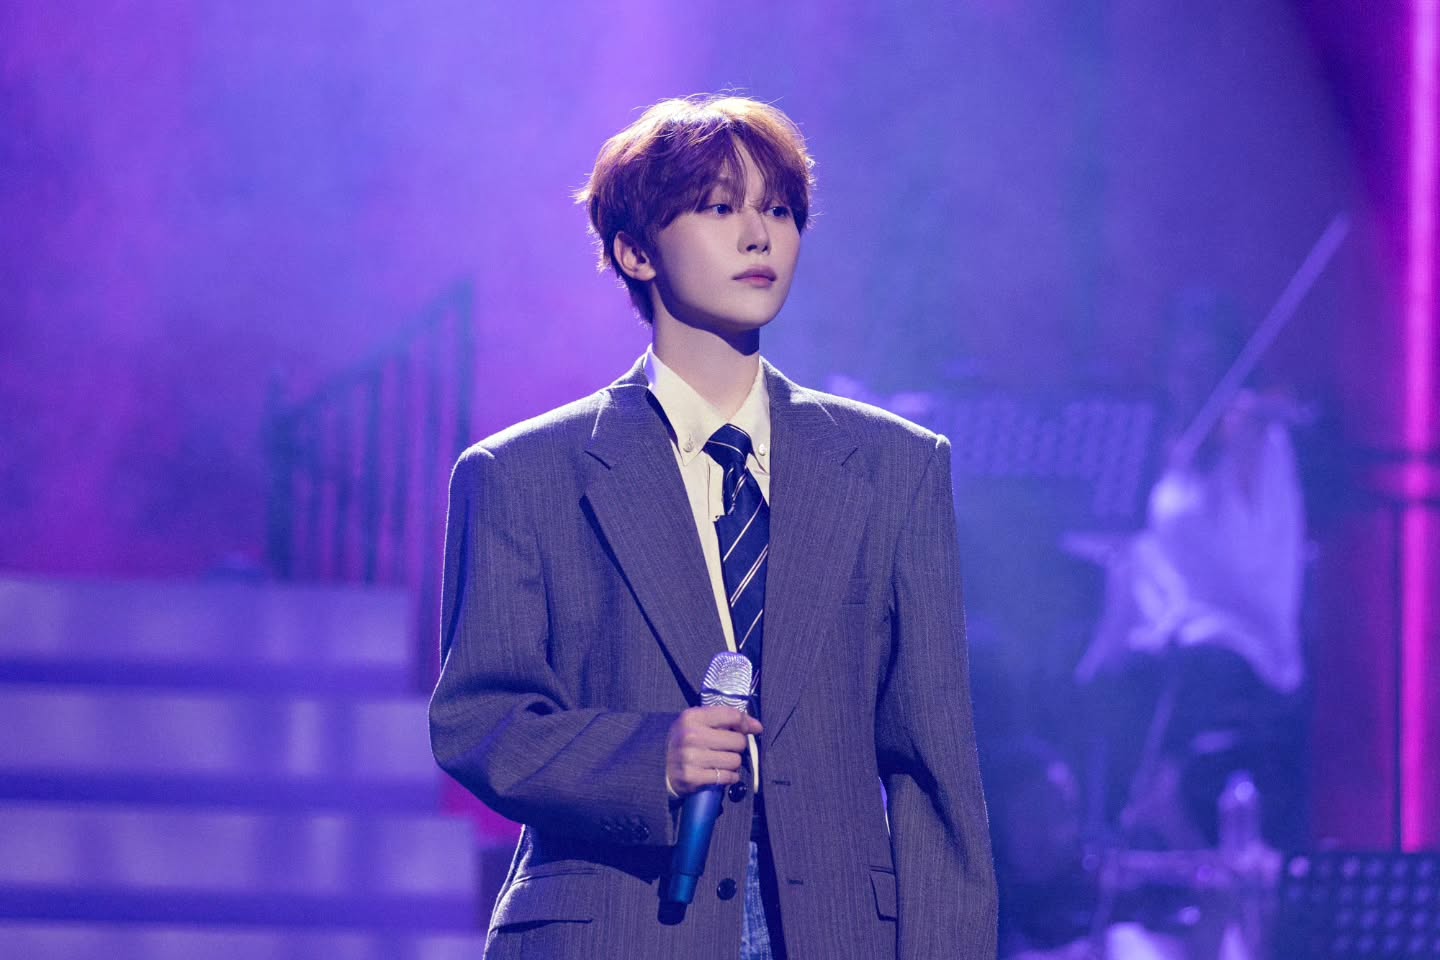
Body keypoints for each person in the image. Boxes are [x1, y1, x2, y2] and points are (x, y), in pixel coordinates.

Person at [428, 94, 996, 959]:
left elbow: (934, 766)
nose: (759, 236)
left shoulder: (895, 468)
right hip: (620, 925)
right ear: (634, 251)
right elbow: (480, 721)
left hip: (835, 930)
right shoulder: (523, 475)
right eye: (720, 208)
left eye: (780, 210)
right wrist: (648, 756)